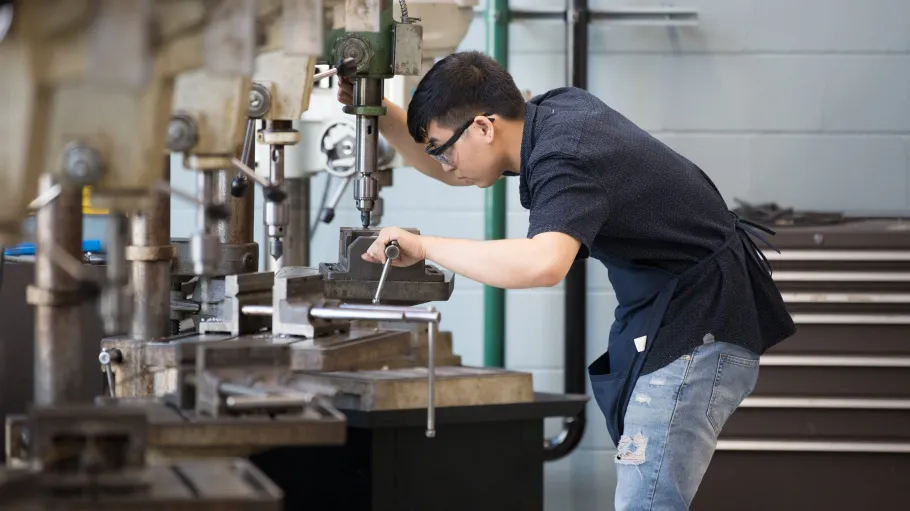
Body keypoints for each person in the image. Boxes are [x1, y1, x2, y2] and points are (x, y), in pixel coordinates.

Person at [337, 51, 796, 509]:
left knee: (647, 502)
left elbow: (544, 264)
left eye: (442, 149)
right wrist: (381, 110)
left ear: (484, 127)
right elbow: (465, 169)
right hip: (678, 309)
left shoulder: (568, 155)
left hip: (701, 322)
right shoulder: (552, 113)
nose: (445, 164)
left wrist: (424, 246)